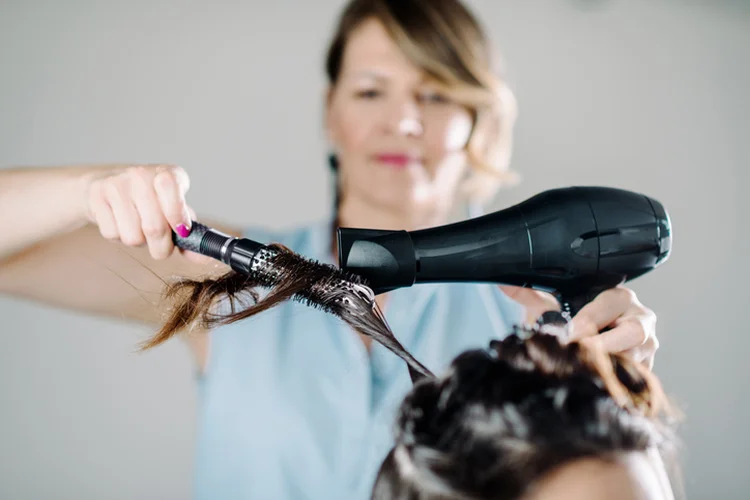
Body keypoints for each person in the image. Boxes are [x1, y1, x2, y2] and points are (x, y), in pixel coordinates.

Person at [0, 0, 660, 498]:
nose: (403, 120)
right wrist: (83, 192)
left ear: (479, 123)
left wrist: (610, 392)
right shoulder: (226, 274)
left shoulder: (532, 319)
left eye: (434, 93)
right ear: (331, 113)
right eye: (372, 90)